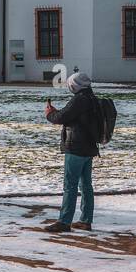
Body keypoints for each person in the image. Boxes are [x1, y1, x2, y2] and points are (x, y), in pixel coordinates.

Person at [43, 71, 100, 232]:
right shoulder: (91, 98)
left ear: (75, 86)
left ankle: (64, 221)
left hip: (76, 147)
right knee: (86, 185)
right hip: (89, 147)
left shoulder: (79, 100)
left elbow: (61, 117)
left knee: (70, 185)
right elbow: (70, 116)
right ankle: (85, 220)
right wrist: (57, 112)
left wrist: (50, 114)